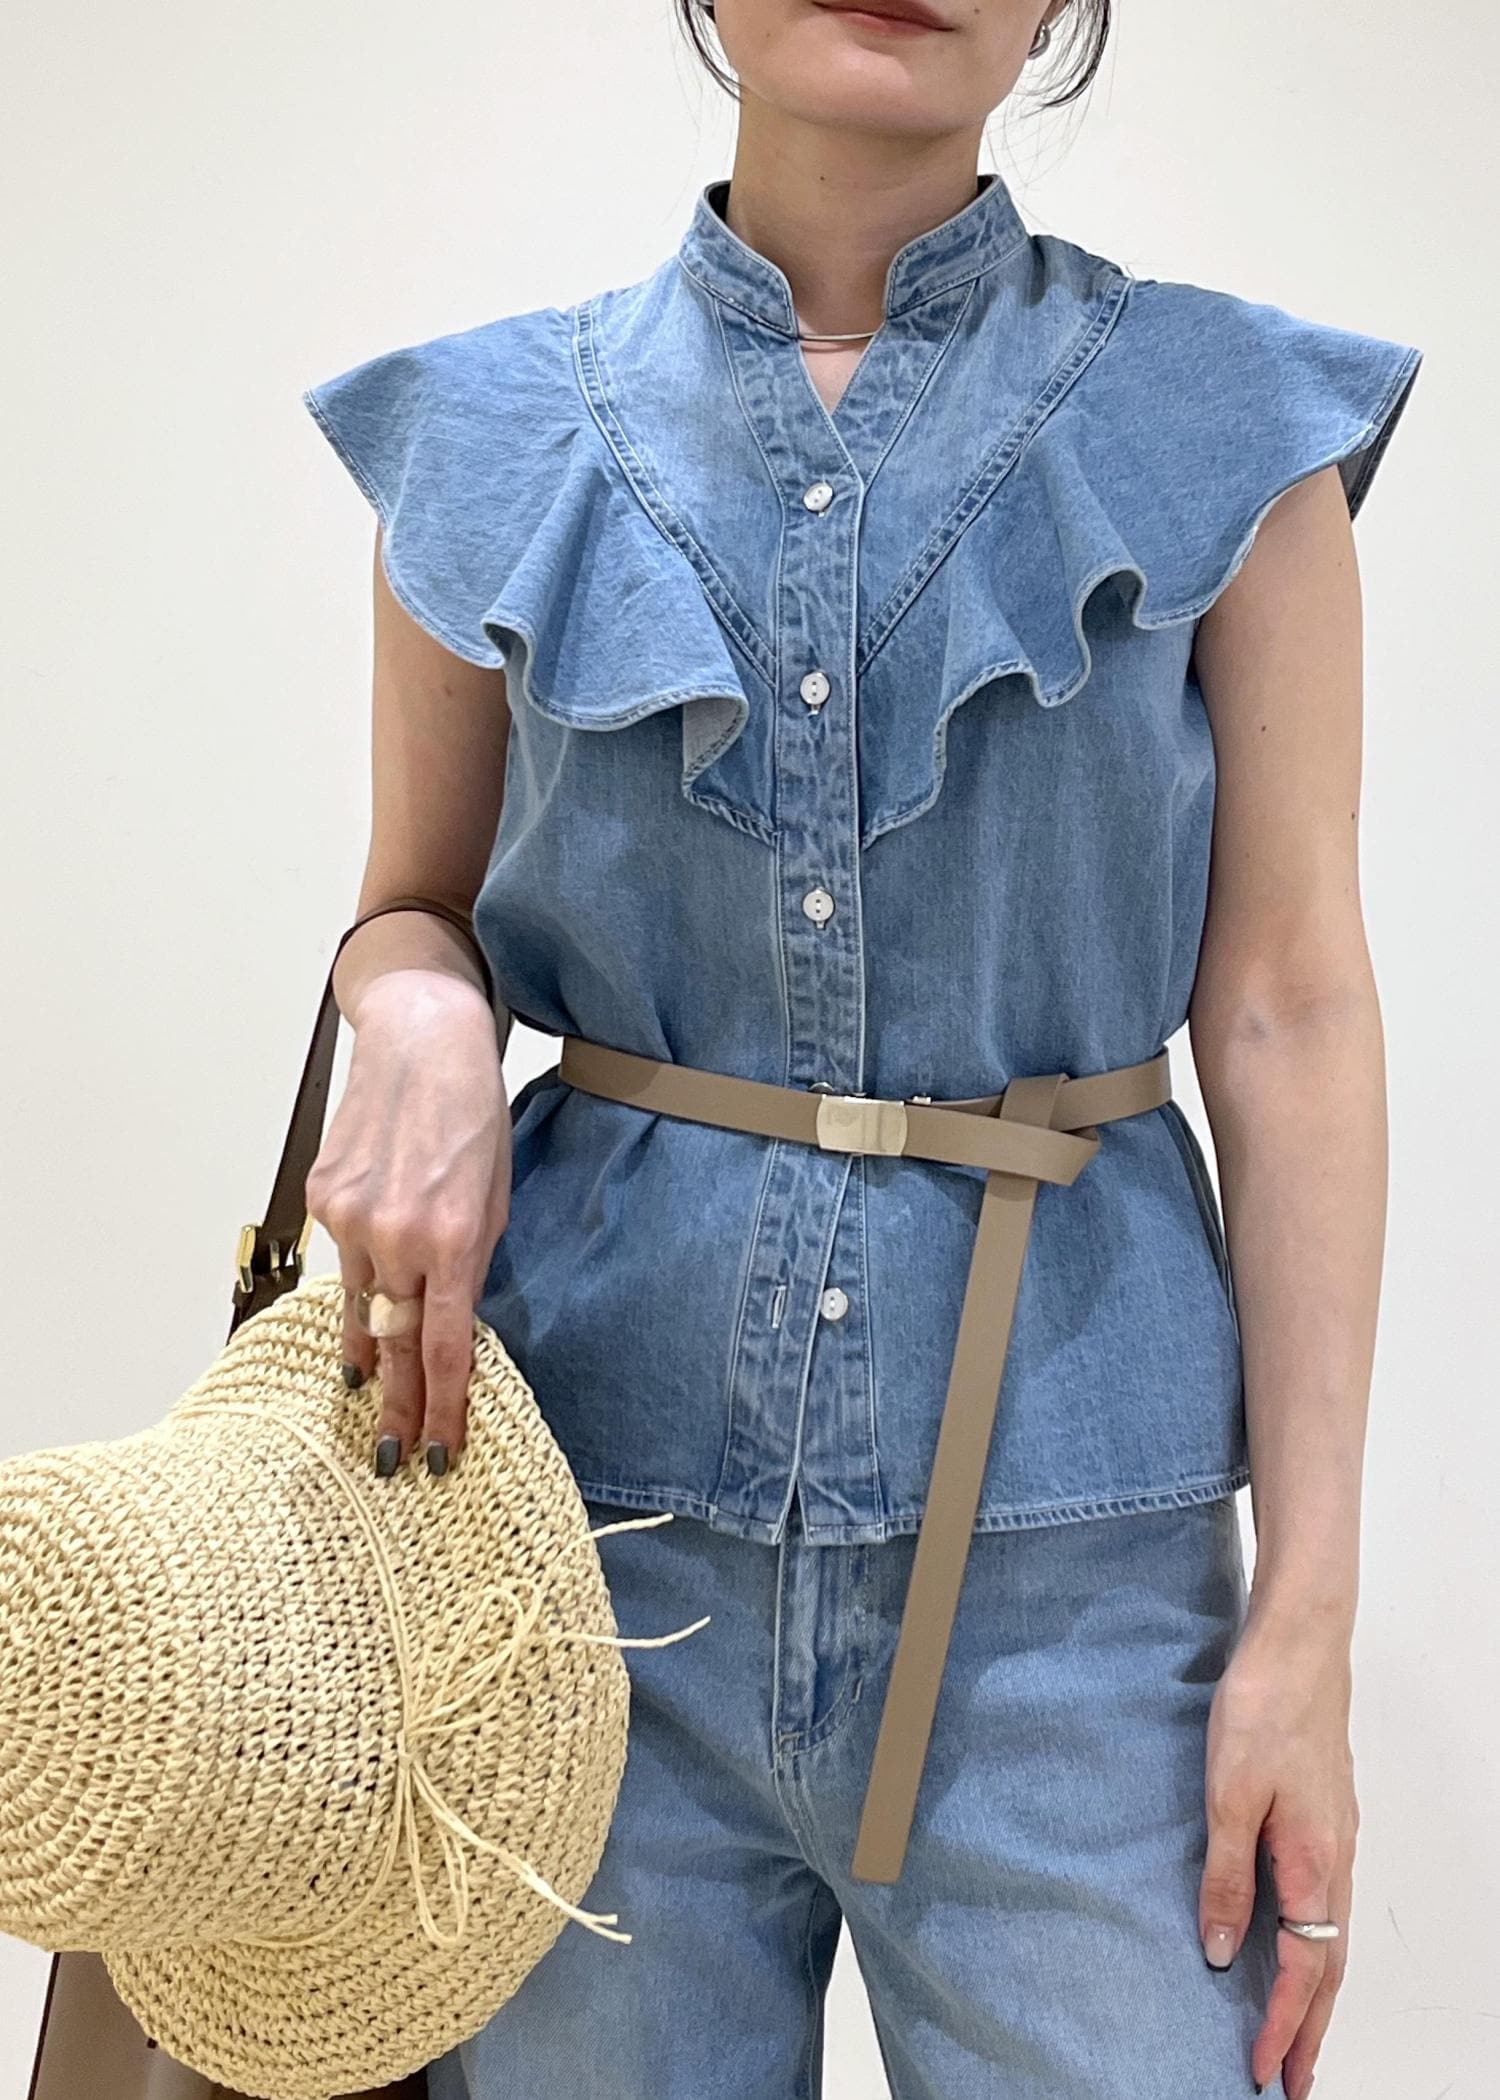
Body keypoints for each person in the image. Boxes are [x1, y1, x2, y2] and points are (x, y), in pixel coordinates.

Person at [298, 4, 1423, 2096]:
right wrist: (423, 1005)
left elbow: (1288, 1010)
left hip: (1079, 1586)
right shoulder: (486, 439)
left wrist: (1309, 1628)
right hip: (567, 1565)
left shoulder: (1231, 429)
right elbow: (410, 903)